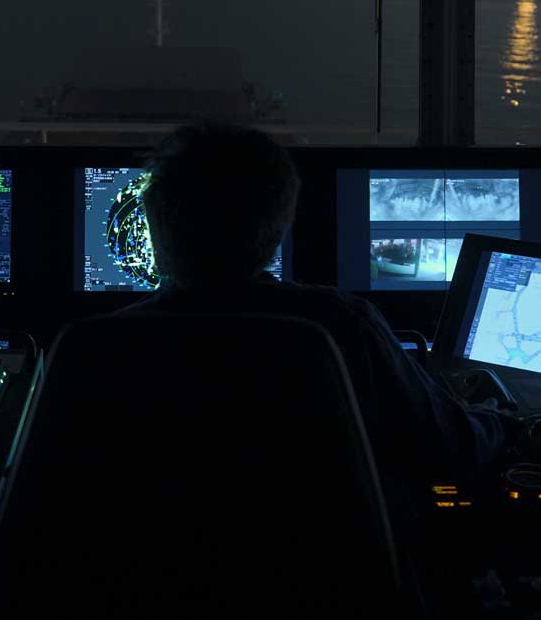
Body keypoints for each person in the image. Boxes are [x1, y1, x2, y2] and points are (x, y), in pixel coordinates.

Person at [127, 122, 514, 518]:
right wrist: (496, 419)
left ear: (156, 226)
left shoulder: (96, 346)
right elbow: (449, 448)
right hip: (331, 574)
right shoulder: (337, 324)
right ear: (277, 225)